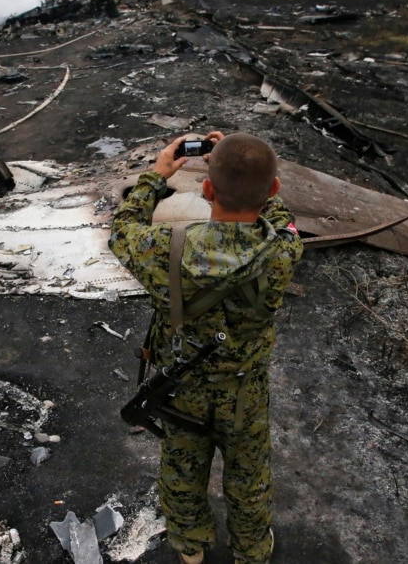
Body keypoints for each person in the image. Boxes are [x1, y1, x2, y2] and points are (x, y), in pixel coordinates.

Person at [108, 131, 304, 564]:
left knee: (182, 472)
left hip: (182, 389)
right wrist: (249, 171)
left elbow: (122, 228)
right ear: (272, 189)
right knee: (249, 477)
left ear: (207, 188)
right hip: (244, 392)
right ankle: (251, 550)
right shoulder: (284, 251)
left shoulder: (164, 249)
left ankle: (191, 548)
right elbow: (280, 214)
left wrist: (157, 174)